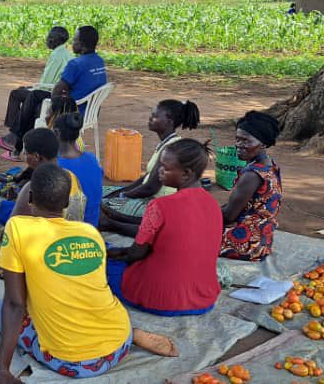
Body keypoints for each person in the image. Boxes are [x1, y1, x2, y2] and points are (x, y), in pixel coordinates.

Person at [0, 164, 176, 383]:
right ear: (67, 203)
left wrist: (2, 369)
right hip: (119, 340)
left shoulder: (18, 228)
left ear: (30, 198)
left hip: (75, 363)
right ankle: (131, 334)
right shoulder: (90, 233)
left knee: (0, 311)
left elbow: (15, 304)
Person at [106, 139, 222, 316]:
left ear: (186, 174)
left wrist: (113, 253)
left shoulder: (160, 206)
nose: (159, 171)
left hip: (161, 299)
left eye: (165, 168)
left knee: (103, 264)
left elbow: (136, 253)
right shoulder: (213, 205)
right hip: (204, 299)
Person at [101, 99, 201, 237]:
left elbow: (150, 188)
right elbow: (145, 179)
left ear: (169, 121)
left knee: (103, 205)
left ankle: (117, 224)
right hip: (150, 197)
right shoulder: (167, 143)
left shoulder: (170, 148)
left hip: (154, 201)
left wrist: (123, 195)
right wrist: (121, 192)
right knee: (102, 192)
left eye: (155, 116)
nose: (150, 118)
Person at [0, 26, 74, 157]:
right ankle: (15, 137)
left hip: (50, 92)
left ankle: (13, 136)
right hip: (57, 92)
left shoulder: (57, 55)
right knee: (24, 94)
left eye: (50, 37)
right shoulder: (67, 53)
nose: (47, 40)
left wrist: (32, 88)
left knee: (17, 94)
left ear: (57, 40)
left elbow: (46, 83)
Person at [220, 111, 283, 262]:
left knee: (186, 236)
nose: (238, 145)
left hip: (247, 244)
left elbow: (229, 215)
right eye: (237, 139)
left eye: (246, 141)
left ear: (263, 143)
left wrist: (202, 213)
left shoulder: (252, 174)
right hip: (262, 239)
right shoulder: (269, 164)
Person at [0, 128, 87, 225]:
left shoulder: (33, 186)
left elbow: (12, 224)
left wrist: (21, 199)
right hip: (72, 230)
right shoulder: (71, 176)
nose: (22, 154)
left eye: (25, 152)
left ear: (37, 157)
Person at [54, 113, 103, 227]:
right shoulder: (92, 159)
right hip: (92, 224)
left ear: (56, 132)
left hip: (70, 228)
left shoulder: (56, 166)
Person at [50, 25, 107, 116]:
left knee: (35, 97)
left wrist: (51, 103)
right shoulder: (99, 61)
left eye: (74, 40)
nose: (72, 43)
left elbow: (58, 89)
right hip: (91, 112)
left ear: (82, 44)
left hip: (74, 111)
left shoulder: (75, 64)